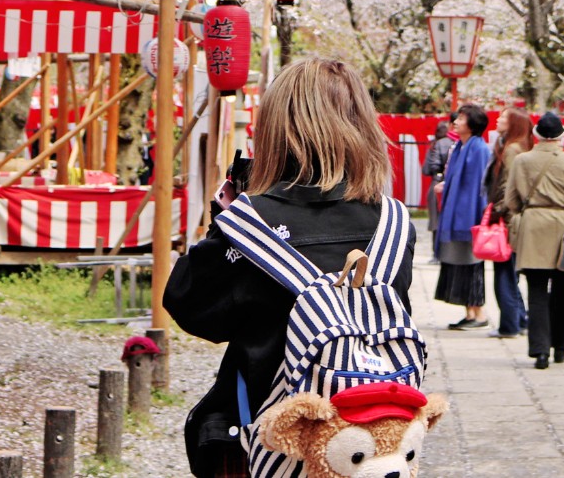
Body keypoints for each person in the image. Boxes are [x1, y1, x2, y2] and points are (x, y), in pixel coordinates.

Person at [163, 58, 410, 478]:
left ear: (277, 129)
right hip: (365, 445)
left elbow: (191, 309)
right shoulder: (394, 222)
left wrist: (223, 225)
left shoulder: (250, 222)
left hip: (268, 442)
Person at [503, 110, 564, 369]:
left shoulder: (521, 160)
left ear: (536, 135)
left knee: (536, 291)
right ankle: (560, 345)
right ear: (562, 136)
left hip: (532, 227)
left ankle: (539, 350)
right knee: (561, 291)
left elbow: (511, 200)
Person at [433, 103, 490, 329]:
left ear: (473, 123)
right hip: (457, 211)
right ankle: (470, 311)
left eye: (462, 118)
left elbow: (479, 187)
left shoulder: (478, 148)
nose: (456, 121)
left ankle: (479, 313)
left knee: (471, 261)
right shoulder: (459, 147)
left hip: (470, 214)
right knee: (460, 261)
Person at [485, 108, 533, 339]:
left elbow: (508, 184)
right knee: (510, 271)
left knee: (504, 271)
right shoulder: (516, 146)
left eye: (504, 117)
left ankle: (510, 324)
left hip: (507, 218)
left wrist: (498, 210)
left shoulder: (513, 149)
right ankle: (520, 318)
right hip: (514, 217)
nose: (498, 119)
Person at [421, 116, 455, 263]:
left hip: (437, 183)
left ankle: (436, 253)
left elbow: (428, 168)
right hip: (451, 184)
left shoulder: (437, 145)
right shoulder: (460, 144)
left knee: (436, 220)